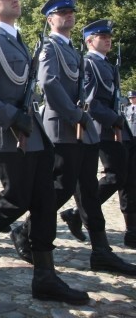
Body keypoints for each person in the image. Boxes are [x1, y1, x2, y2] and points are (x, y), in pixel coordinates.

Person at [0, 0, 90, 306]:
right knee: (14, 200)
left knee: (45, 203)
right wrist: (11, 116)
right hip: (6, 135)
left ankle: (45, 278)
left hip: (31, 135)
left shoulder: (18, 38)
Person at [10, 0, 136, 275]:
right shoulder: (48, 47)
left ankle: (101, 251)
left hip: (84, 131)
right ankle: (24, 231)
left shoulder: (75, 53)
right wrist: (77, 115)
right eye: (61, 12)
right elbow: (50, 85)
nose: (68, 15)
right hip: (62, 128)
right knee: (61, 187)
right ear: (50, 19)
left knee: (89, 190)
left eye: (70, 12)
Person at [67, 20, 136, 249]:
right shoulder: (88, 64)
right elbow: (90, 101)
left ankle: (132, 229)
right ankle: (78, 213)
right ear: (89, 40)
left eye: (109, 36)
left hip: (117, 126)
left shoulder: (108, 64)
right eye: (101, 36)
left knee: (129, 176)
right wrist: (112, 119)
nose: (107, 40)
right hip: (100, 127)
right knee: (115, 176)